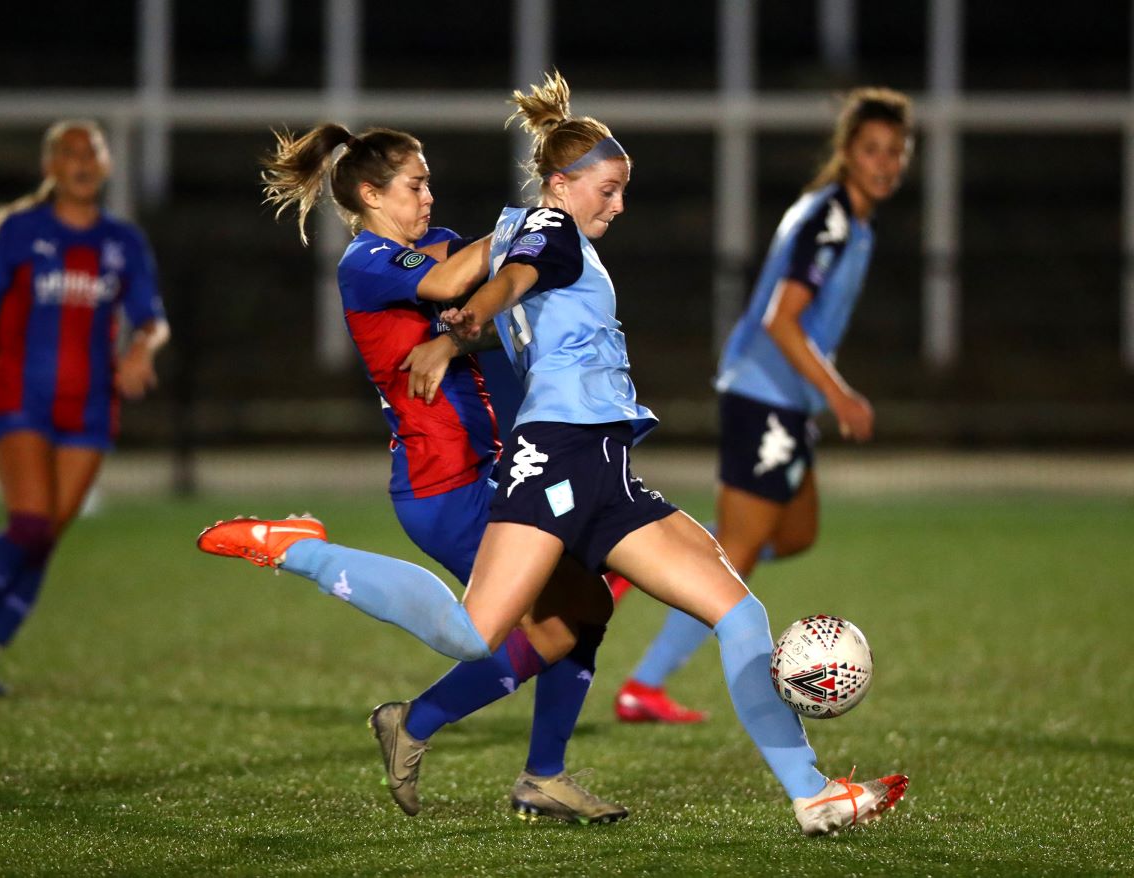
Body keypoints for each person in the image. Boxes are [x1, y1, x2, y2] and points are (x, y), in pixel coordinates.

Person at [201, 72, 908, 836]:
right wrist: (465, 319)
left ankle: (810, 794)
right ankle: (304, 554)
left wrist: (475, 299)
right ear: (565, 184)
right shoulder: (539, 229)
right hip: (542, 462)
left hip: (601, 464)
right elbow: (514, 273)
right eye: (608, 188)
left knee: (736, 609)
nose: (620, 204)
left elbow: (499, 260)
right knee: (478, 632)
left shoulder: (537, 224)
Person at [203, 122, 625, 823]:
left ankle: (527, 772)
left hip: (497, 469)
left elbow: (496, 304)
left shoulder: (438, 243)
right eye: (415, 185)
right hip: (444, 484)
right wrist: (534, 222)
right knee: (515, 633)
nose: (429, 197)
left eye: (429, 182)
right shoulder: (366, 261)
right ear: (370, 194)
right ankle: (301, 551)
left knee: (580, 613)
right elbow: (454, 281)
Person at [612, 86, 914, 726]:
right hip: (765, 394)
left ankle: (649, 563)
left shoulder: (853, 219)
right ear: (847, 153)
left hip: (786, 400)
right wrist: (840, 394)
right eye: (872, 150)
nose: (885, 163)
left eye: (895, 150)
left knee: (795, 534)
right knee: (740, 553)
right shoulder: (829, 218)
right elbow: (782, 319)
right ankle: (644, 683)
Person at [0, 120, 169, 694]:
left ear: (107, 166)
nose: (82, 160)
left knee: (46, 538)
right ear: (51, 168)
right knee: (31, 522)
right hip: (23, 397)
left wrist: (141, 349)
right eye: (69, 152)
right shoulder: (20, 230)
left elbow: (152, 319)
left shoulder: (124, 242)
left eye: (92, 151)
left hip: (90, 406)